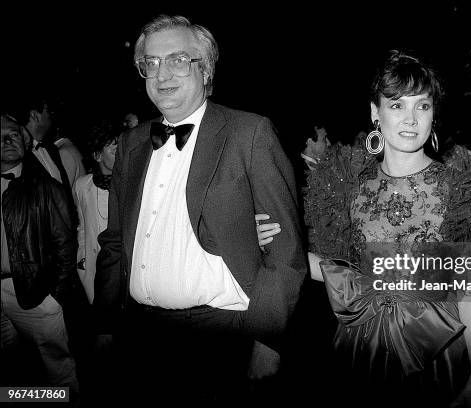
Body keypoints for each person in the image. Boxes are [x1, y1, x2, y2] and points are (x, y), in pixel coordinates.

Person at [257, 50, 471, 406]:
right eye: (397, 105)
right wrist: (274, 240)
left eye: (422, 106)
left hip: (436, 353)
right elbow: (337, 273)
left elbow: (469, 298)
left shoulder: (459, 188)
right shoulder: (348, 188)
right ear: (375, 112)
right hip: (360, 350)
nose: (410, 119)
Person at [94, 14, 307, 404]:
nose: (162, 75)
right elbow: (113, 242)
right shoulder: (132, 143)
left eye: (178, 59)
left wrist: (268, 339)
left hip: (222, 335)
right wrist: (106, 322)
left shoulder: (250, 133)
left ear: (205, 69)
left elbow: (285, 251)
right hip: (139, 332)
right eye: (151, 63)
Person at [1, 113, 80, 398]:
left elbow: (66, 246)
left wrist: (53, 294)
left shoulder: (46, 187)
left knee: (58, 367)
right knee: (14, 369)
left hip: (34, 292)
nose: (8, 140)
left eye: (13, 133)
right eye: (0, 136)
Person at [74, 121, 120, 304]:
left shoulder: (131, 184)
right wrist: (82, 260)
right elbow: (83, 227)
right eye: (115, 151)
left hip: (122, 269)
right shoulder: (82, 186)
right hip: (94, 267)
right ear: (98, 156)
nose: (122, 155)